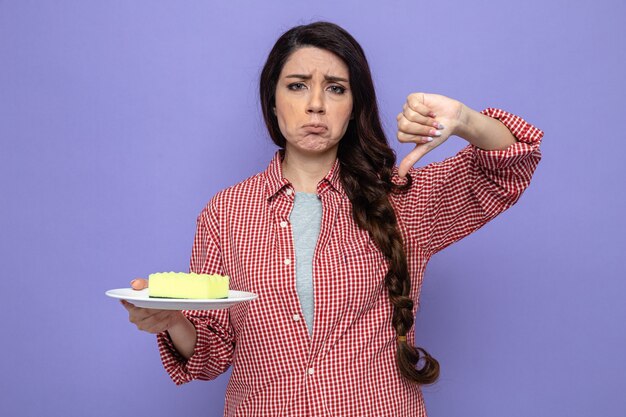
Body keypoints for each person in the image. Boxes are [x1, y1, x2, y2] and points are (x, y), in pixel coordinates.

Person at [120, 21, 543, 417]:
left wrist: (465, 119)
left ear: (354, 104)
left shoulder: (401, 198)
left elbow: (510, 163)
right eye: (298, 86)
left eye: (336, 89)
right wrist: (171, 319)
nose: (316, 105)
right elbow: (211, 355)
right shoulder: (225, 213)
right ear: (273, 98)